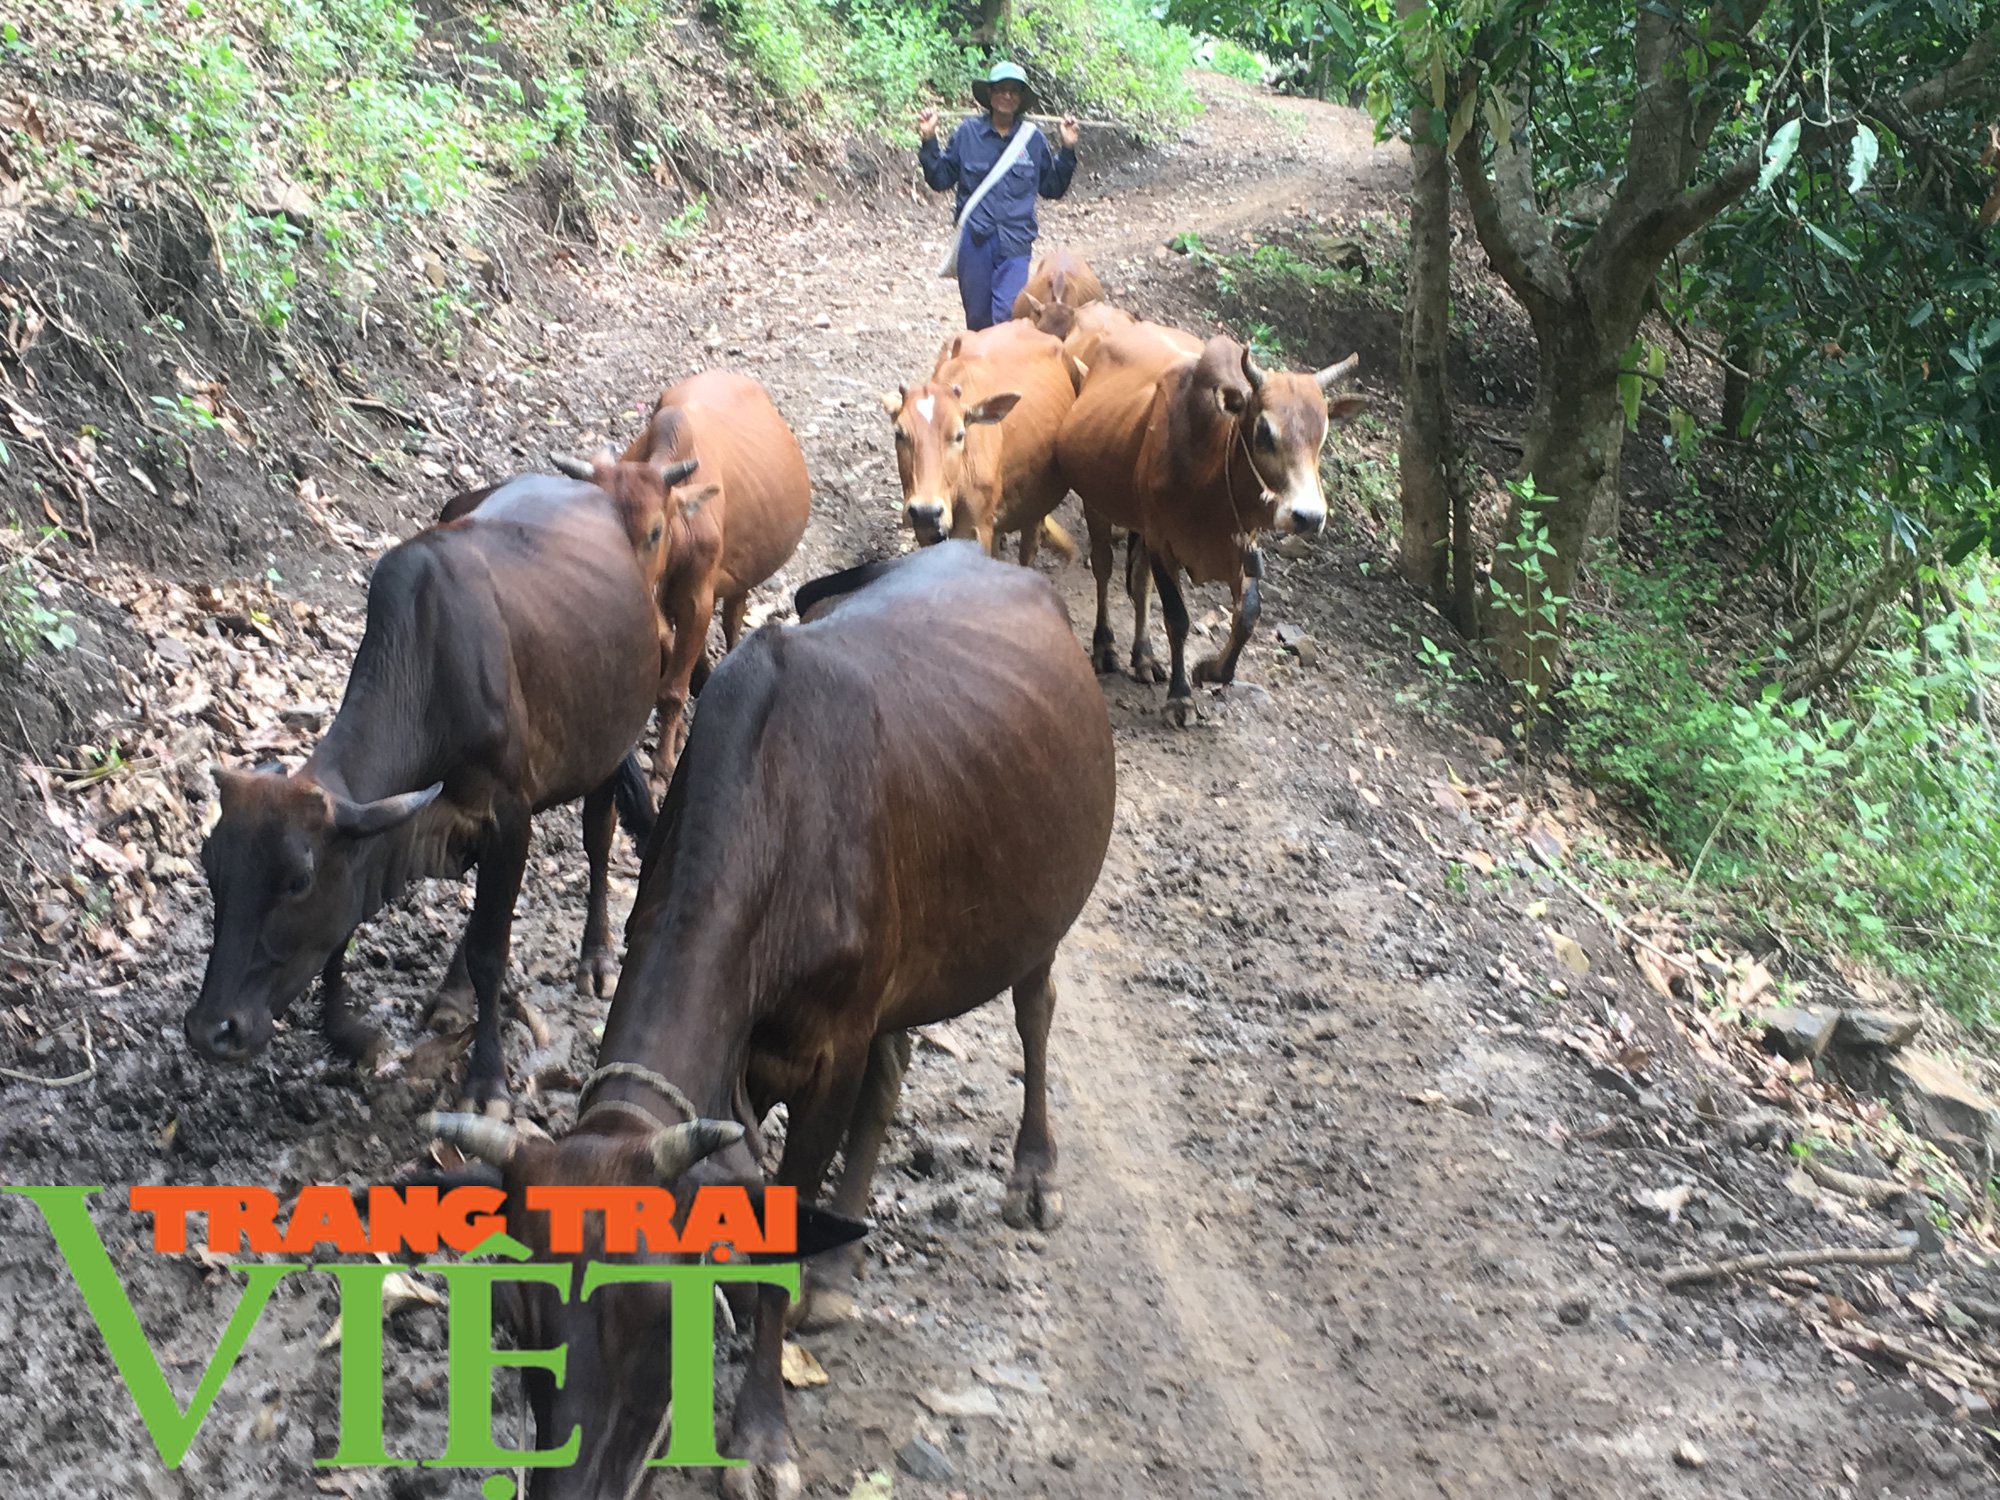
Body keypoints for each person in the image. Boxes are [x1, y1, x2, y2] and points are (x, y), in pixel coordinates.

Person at [919, 61, 1080, 332]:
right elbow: (940, 178)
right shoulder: (967, 133)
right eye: (1001, 89)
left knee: (1008, 317)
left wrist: (1067, 149)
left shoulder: (1033, 139)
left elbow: (1052, 187)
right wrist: (929, 139)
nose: (1007, 95)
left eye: (1014, 91)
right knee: (978, 322)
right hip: (975, 241)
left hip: (1015, 243)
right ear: (990, 95)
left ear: (1020, 99)